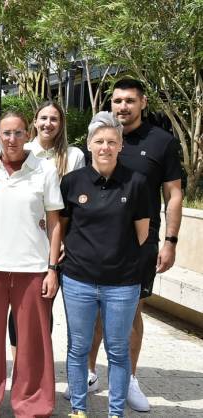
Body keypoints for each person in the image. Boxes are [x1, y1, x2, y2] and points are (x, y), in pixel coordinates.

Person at [85, 78, 183, 412]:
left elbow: (173, 194)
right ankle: (88, 374)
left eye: (129, 100)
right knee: (94, 309)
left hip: (141, 242)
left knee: (131, 311)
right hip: (97, 240)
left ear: (143, 103)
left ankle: (128, 379)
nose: (123, 106)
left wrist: (170, 241)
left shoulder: (161, 142)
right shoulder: (101, 137)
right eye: (117, 101)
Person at [0, 112, 63, 418]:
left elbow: (54, 222)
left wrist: (52, 268)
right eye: (6, 133)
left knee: (32, 343)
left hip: (33, 268)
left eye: (18, 133)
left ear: (28, 134)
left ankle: (32, 406)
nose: (12, 139)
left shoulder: (45, 169)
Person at [60, 111, 151, 418]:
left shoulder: (137, 183)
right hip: (78, 281)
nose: (105, 147)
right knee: (78, 348)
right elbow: (62, 228)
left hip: (122, 283)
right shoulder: (72, 182)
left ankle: (115, 413)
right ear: (89, 145)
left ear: (120, 145)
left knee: (118, 350)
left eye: (112, 141)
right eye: (99, 141)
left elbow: (142, 234)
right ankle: (78, 410)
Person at [6, 101, 86, 357]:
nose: (48, 124)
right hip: (25, 240)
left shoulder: (74, 156)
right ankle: (18, 363)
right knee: (18, 307)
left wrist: (62, 239)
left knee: (43, 306)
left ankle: (36, 363)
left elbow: (77, 204)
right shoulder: (24, 150)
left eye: (54, 119)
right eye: (43, 118)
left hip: (59, 243)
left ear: (61, 124)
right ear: (35, 122)